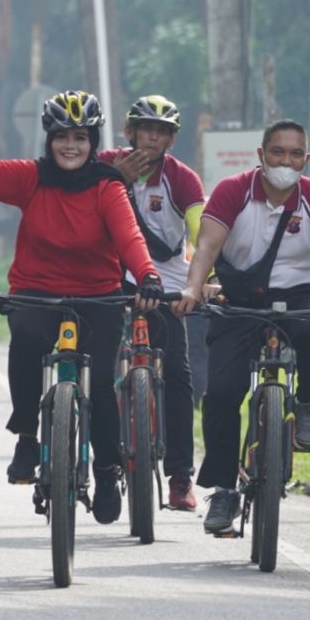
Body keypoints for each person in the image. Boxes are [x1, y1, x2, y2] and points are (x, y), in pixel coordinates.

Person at [0, 90, 162, 525]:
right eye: (62, 137)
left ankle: (105, 468)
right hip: (36, 290)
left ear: (93, 141)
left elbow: (128, 236)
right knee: (24, 338)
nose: (71, 146)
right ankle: (26, 435)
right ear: (49, 139)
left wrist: (148, 275)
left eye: (80, 137)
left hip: (99, 294)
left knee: (100, 384)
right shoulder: (32, 177)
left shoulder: (107, 184)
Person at [171, 118, 310, 535]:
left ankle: (305, 404)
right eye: (278, 153)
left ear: (306, 159)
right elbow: (207, 246)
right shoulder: (233, 191)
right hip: (240, 299)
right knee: (222, 395)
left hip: (301, 293)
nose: (286, 161)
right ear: (261, 156)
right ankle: (224, 490)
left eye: (294, 154)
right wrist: (193, 289)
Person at [97, 95, 204, 511]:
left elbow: (200, 230)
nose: (153, 137)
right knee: (97, 369)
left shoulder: (183, 179)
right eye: (146, 129)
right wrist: (112, 177)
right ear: (130, 132)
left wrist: (206, 278)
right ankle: (92, 460)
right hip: (107, 279)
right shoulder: (105, 161)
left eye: (162, 131)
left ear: (171, 139)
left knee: (178, 373)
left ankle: (180, 476)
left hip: (165, 284)